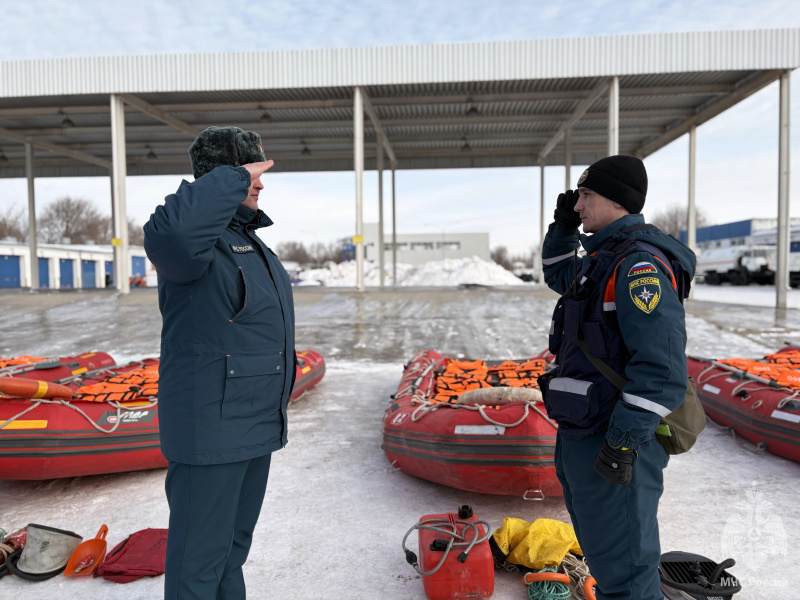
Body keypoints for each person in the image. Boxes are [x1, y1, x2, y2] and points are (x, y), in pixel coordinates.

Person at [144, 126, 296, 600]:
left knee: (232, 551)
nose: (261, 183)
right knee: (198, 563)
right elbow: (169, 233)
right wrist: (233, 177)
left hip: (253, 425)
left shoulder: (251, 243)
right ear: (225, 175)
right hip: (211, 429)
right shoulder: (192, 247)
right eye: (252, 172)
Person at [540, 155, 696, 600]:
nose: (579, 203)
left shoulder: (638, 267)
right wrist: (565, 227)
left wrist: (622, 443)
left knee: (626, 575)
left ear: (616, 202)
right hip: (585, 431)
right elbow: (558, 273)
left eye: (587, 195)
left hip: (615, 440)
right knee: (608, 561)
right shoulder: (601, 260)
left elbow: (662, 370)